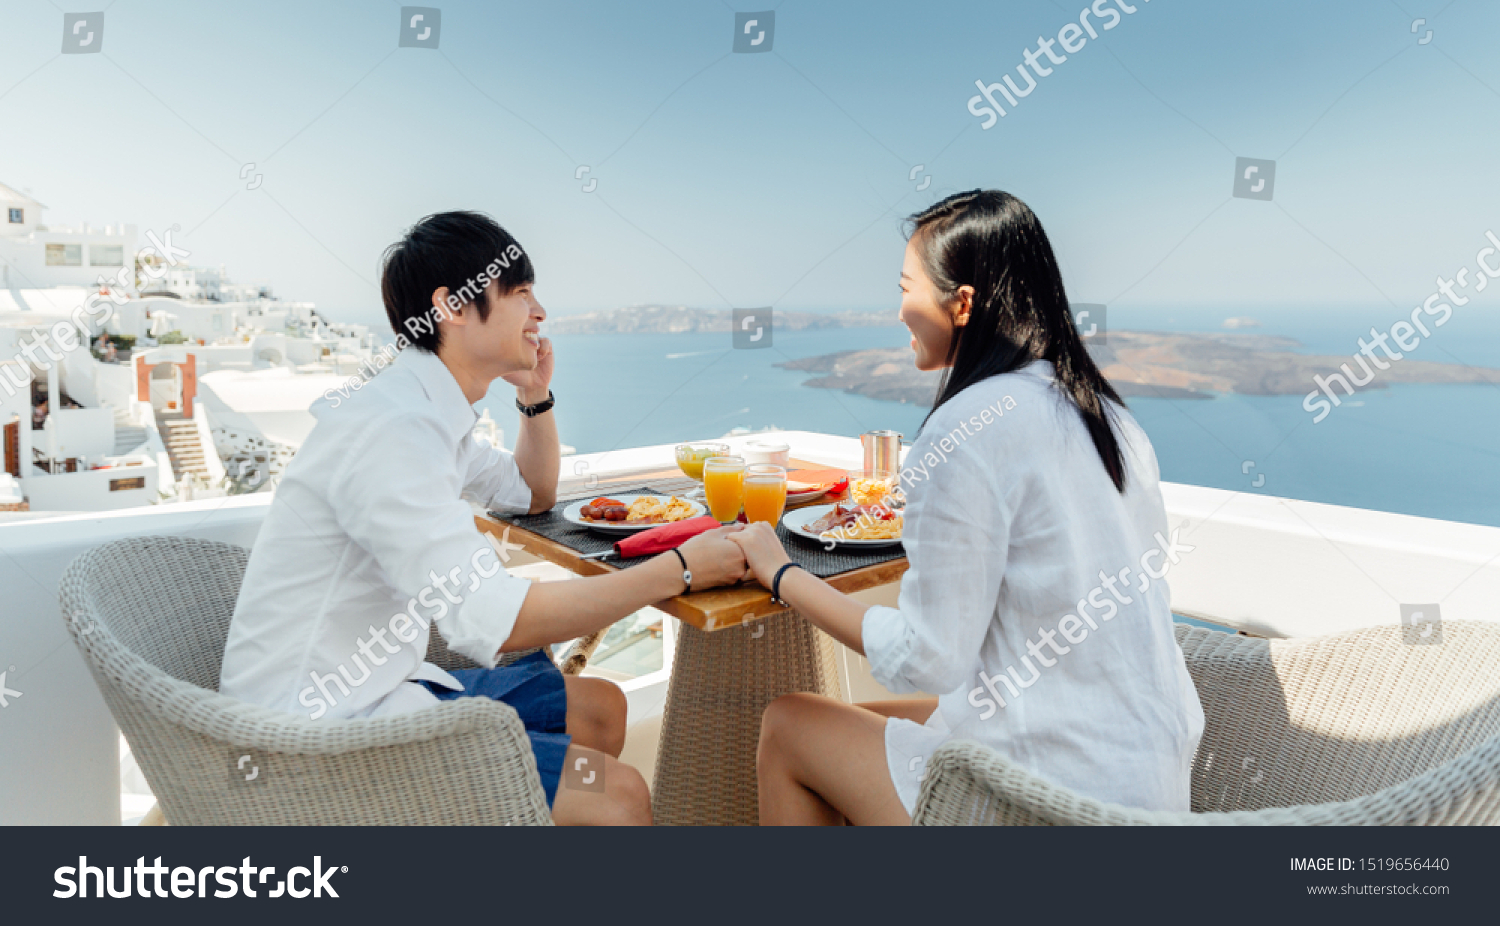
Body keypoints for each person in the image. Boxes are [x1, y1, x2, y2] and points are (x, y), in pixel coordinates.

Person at [219, 211, 747, 825]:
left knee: (599, 710)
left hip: (382, 693)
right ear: (452, 307)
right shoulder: (393, 432)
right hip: (318, 741)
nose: (539, 312)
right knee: (617, 792)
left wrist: (534, 395)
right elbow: (500, 623)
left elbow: (533, 491)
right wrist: (681, 568)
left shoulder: (424, 410)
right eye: (520, 292)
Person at [731, 189, 1205, 825]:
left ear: (961, 304)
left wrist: (781, 573)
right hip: (1144, 793)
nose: (899, 310)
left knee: (789, 725)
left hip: (1045, 802)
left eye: (906, 289)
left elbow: (927, 659)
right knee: (869, 724)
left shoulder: (966, 427)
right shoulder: (1110, 418)